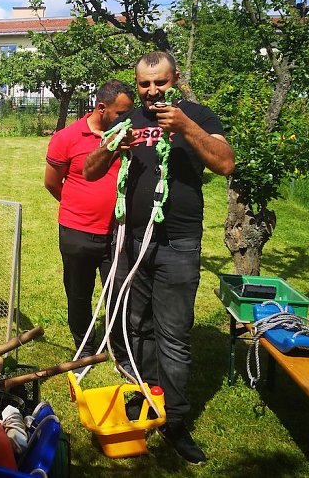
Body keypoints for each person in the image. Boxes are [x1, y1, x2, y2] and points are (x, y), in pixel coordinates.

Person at [84, 52, 235, 464]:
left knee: (173, 334)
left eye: (160, 83)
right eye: (145, 84)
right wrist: (111, 146)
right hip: (133, 242)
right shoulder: (129, 120)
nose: (152, 91)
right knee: (137, 326)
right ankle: (146, 394)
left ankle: (176, 420)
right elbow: (90, 171)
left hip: (177, 244)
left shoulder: (198, 116)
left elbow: (225, 163)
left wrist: (185, 127)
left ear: (175, 79)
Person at [44, 80, 135, 357]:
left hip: (118, 233)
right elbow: (52, 183)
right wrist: (78, 207)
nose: (127, 119)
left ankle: (121, 351)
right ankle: (84, 347)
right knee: (78, 294)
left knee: (120, 293)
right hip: (77, 233)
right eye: (121, 113)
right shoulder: (67, 138)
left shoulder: (129, 138)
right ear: (101, 108)